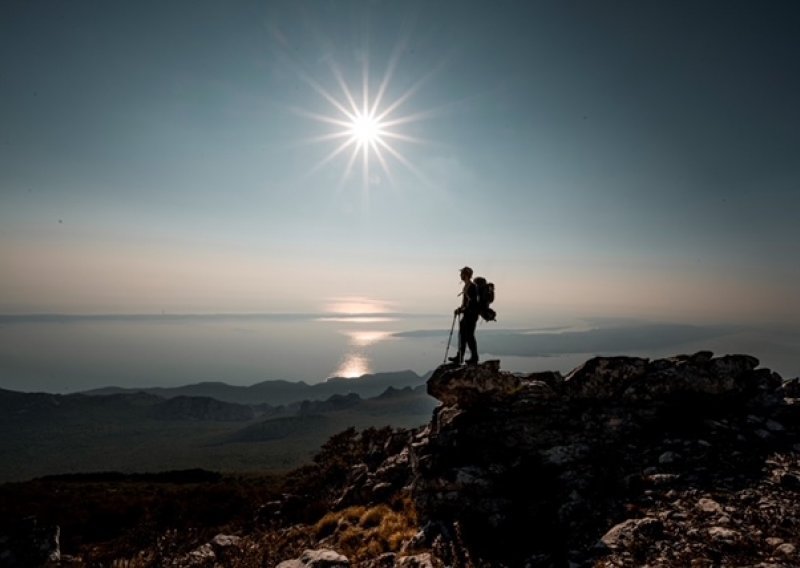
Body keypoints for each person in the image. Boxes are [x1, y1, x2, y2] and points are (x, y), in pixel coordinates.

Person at [449, 266, 479, 365]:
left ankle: (473, 357)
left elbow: (472, 303)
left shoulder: (472, 287)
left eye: (461, 274)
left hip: (471, 315)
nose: (460, 276)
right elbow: (466, 302)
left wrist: (462, 310)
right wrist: (461, 309)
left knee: (469, 336)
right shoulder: (467, 286)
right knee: (463, 335)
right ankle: (460, 356)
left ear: (465, 275)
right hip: (467, 315)